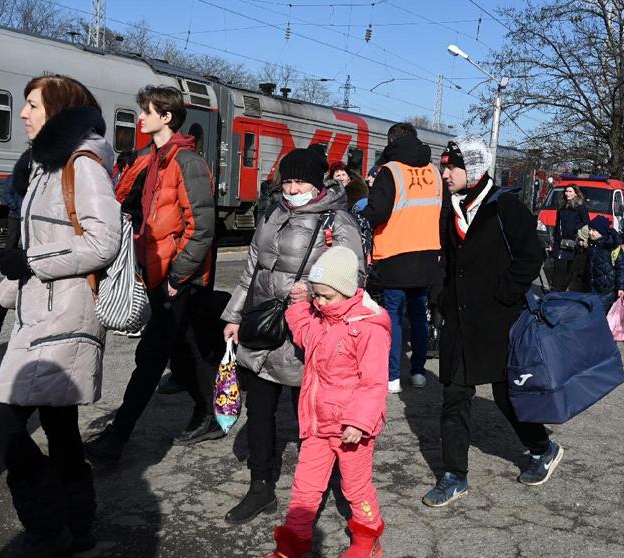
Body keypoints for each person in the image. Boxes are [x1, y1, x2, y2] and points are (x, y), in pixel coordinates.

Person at [0, 74, 121, 558]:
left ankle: (46, 528)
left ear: (58, 110)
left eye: (32, 105)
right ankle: (80, 526)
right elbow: (37, 250)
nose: (23, 113)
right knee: (60, 429)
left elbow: (102, 243)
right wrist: (0, 300)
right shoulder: (45, 166)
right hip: (40, 309)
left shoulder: (82, 164)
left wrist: (31, 263)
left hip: (65, 315)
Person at [221, 147, 365, 525]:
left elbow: (354, 275)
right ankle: (260, 487)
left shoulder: (337, 220)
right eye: (288, 181)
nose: (292, 188)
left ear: (317, 183)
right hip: (265, 328)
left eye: (300, 181)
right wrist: (234, 315)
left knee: (312, 416)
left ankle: (315, 487)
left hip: (309, 332)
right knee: (259, 411)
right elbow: (252, 267)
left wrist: (314, 291)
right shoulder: (273, 211)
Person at [82, 85, 221, 462]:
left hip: (175, 275)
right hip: (155, 269)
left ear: (167, 117)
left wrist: (177, 276)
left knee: (151, 355)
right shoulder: (154, 158)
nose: (141, 118)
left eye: (147, 112)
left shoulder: (187, 162)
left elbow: (202, 227)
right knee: (182, 347)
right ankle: (210, 411)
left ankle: (117, 438)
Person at [423, 135, 561, 508]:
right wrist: (439, 300)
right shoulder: (450, 207)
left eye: (451, 167)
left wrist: (504, 293)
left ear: (474, 169)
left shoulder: (505, 206)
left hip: (499, 321)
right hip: (459, 320)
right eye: (444, 166)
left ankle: (542, 448)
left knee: (507, 395)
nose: (444, 173)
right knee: (454, 395)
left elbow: (531, 256)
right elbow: (447, 261)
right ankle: (454, 475)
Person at [250, 247, 389, 558]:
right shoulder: (321, 319)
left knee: (355, 487)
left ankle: (368, 537)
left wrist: (358, 421)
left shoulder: (368, 327)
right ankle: (290, 551)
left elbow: (373, 382)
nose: (321, 303)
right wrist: (300, 304)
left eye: (327, 296)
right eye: (317, 296)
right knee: (305, 488)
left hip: (352, 429)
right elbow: (303, 332)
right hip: (316, 424)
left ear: (347, 290)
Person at [361, 122, 443, 393]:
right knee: (419, 315)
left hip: (395, 254)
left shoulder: (390, 171)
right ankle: (418, 372)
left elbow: (378, 211)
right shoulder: (434, 172)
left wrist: (359, 219)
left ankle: (393, 376)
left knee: (393, 316)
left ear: (391, 141)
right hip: (427, 253)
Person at [584, 215, 624, 313]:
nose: (590, 232)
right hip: (591, 287)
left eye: (593, 230)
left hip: (607, 289)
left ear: (602, 232)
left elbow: (621, 268)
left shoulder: (613, 247)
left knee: (601, 313)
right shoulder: (591, 245)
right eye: (590, 229)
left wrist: (621, 287)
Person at [550, 185, 588, 292]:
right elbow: (557, 224)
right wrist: (554, 240)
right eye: (566, 191)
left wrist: (576, 230)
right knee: (558, 266)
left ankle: (565, 291)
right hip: (560, 241)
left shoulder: (580, 207)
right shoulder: (561, 206)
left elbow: (586, 222)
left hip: (574, 242)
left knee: (570, 269)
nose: (567, 193)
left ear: (576, 193)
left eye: (570, 191)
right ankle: (555, 290)